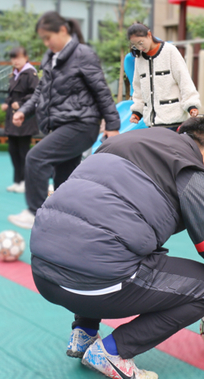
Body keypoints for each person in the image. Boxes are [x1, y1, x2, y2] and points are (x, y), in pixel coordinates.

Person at [30, 117, 204, 379]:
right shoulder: (190, 169)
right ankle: (114, 351)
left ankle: (84, 333)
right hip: (97, 284)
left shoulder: (120, 141)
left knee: (102, 239)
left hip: (43, 273)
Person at [8, 12, 120, 229]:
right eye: (43, 39)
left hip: (81, 125)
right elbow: (40, 91)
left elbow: (102, 91)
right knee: (63, 179)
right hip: (61, 125)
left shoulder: (83, 54)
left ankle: (35, 212)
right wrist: (24, 110)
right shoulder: (50, 58)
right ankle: (65, 222)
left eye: (48, 37)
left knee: (35, 158)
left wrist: (113, 126)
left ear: (62, 31)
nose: (46, 43)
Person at [127, 23, 201, 131]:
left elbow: (184, 80)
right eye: (135, 45)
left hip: (174, 122)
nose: (139, 47)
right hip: (152, 125)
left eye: (140, 43)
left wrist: (192, 105)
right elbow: (138, 89)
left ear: (149, 34)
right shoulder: (139, 59)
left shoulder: (170, 51)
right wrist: (137, 112)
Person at [1, 47, 39, 193]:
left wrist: (22, 104)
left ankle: (25, 181)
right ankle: (17, 180)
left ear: (26, 57)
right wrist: (7, 102)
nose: (15, 61)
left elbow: (36, 94)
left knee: (23, 151)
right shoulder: (15, 74)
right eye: (13, 58)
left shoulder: (31, 73)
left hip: (25, 116)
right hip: (12, 117)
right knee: (13, 150)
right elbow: (11, 94)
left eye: (18, 58)